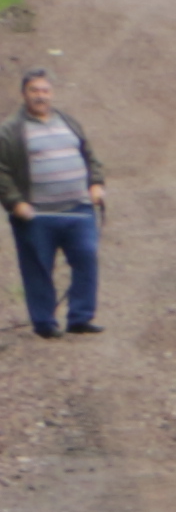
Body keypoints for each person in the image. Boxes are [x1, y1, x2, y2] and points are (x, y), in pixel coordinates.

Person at [10, 69, 104, 338]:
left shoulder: (68, 121)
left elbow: (89, 156)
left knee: (86, 258)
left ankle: (80, 318)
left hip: (79, 209)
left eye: (45, 90)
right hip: (36, 215)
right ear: (24, 94)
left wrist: (96, 183)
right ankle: (45, 324)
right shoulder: (12, 130)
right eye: (34, 90)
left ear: (51, 93)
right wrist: (15, 203)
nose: (41, 96)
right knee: (38, 267)